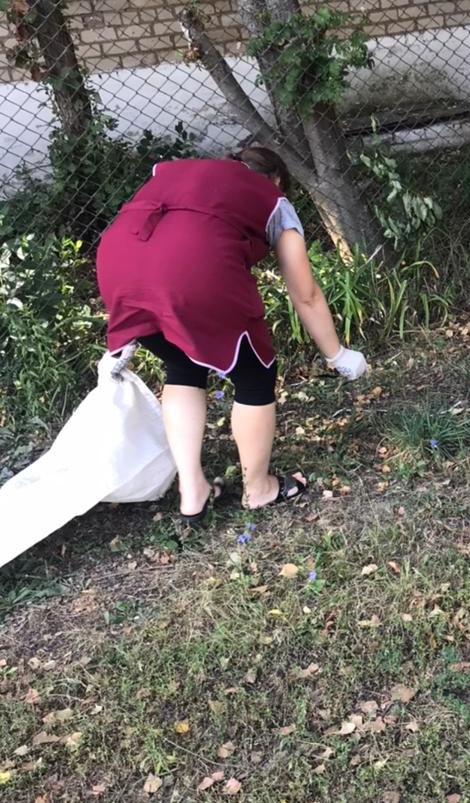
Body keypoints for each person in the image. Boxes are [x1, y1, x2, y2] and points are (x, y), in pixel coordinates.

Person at [96, 146, 368, 524]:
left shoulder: (175, 173)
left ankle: (193, 491)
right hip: (193, 272)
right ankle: (259, 489)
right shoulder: (273, 199)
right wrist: (336, 354)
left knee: (181, 365)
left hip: (119, 266)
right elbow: (305, 294)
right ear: (276, 180)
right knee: (255, 373)